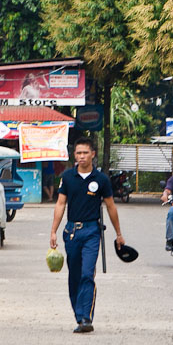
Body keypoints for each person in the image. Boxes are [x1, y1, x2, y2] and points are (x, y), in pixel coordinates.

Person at [49, 138, 126, 334]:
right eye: (78, 153)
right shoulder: (67, 177)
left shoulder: (101, 180)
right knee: (74, 276)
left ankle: (86, 317)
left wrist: (119, 234)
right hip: (72, 232)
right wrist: (53, 231)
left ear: (93, 154)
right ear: (74, 155)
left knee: (87, 274)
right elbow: (60, 204)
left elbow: (110, 206)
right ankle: (78, 313)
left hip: (92, 232)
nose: (81, 157)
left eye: (85, 153)